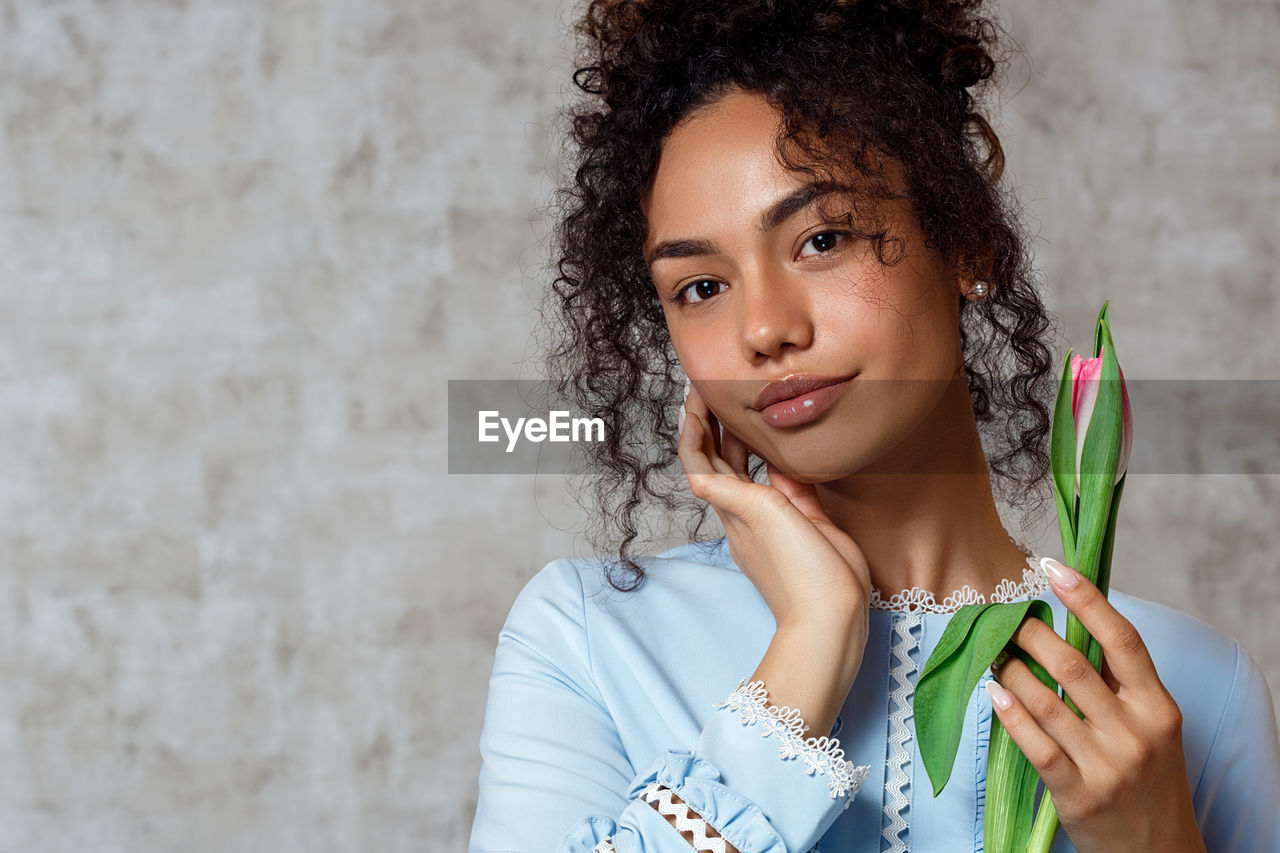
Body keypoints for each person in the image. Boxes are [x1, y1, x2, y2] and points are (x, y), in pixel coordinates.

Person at [468, 1, 1280, 850]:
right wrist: (808, 648)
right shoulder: (591, 638)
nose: (764, 329)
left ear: (965, 243)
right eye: (701, 287)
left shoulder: (1187, 687)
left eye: (822, 238)